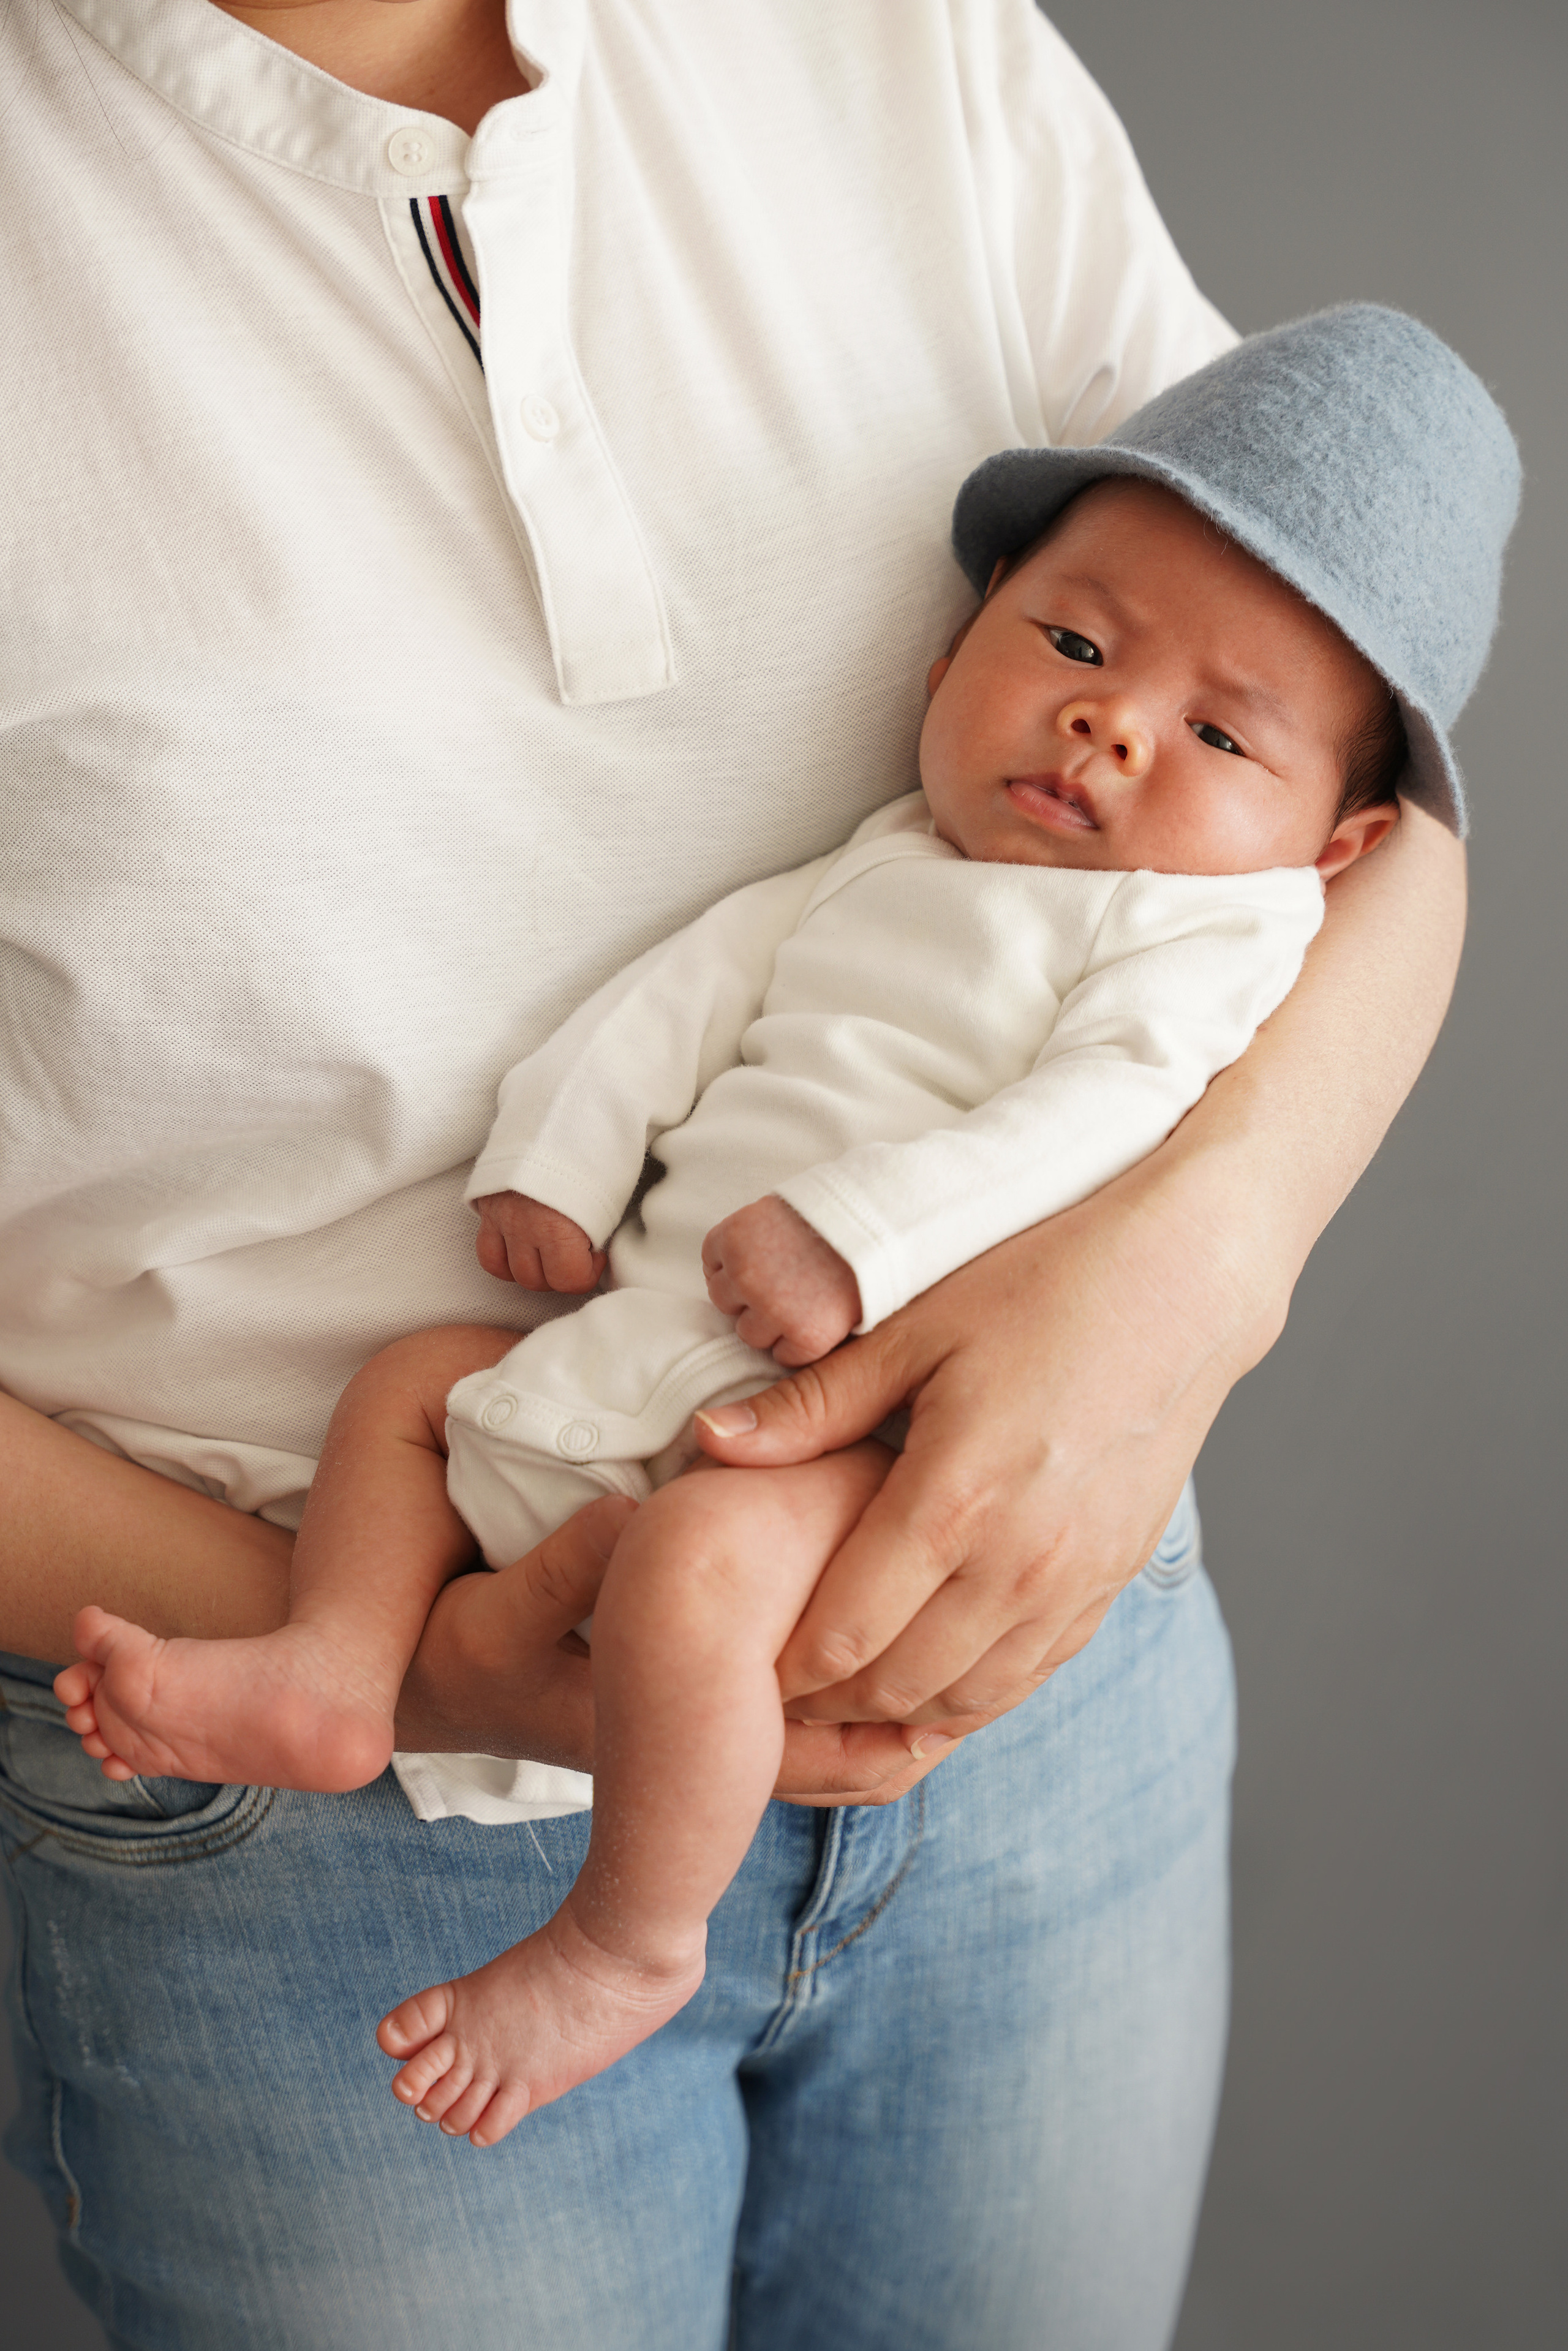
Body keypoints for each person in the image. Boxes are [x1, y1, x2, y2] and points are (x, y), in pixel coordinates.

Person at [0, 4, 1483, 2345]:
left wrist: (1189, 1281)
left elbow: (1373, 793)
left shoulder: (892, 38)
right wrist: (450, 1636)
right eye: (1070, 645)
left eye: (1190, 725)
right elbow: (690, 995)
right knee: (431, 1397)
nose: (1108, 723)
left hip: (1020, 1644)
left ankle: (608, 1914)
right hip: (332, 1824)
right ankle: (352, 1688)